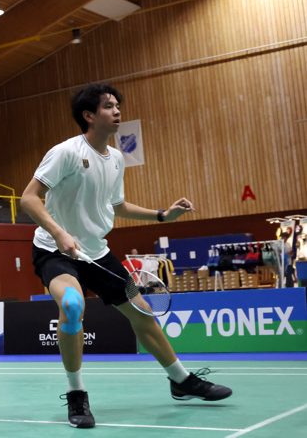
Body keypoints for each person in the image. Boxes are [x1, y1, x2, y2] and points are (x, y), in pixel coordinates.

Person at [19, 83, 232, 429]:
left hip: (97, 252)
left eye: (117, 105)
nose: (117, 111)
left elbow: (117, 206)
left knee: (142, 311)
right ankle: (76, 394)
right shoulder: (66, 152)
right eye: (108, 106)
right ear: (89, 116)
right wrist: (59, 232)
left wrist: (163, 215)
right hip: (54, 250)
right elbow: (29, 198)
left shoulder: (116, 158)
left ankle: (180, 380)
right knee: (72, 306)